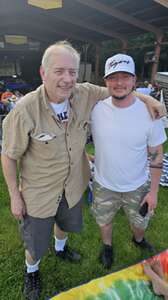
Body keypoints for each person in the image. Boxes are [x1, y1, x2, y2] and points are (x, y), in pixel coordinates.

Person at [1, 42, 165, 300]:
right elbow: (9, 156)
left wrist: (146, 98)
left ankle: (61, 248)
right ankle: (31, 270)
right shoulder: (24, 111)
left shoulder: (84, 94)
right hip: (39, 191)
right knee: (34, 242)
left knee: (65, 224)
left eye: (72, 72)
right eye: (59, 71)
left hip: (74, 185)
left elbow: (118, 89)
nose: (67, 79)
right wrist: (14, 195)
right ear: (43, 73)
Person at [91, 53, 167, 269]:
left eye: (125, 76)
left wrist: (153, 192)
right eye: (113, 77)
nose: (119, 83)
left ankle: (139, 240)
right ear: (105, 81)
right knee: (104, 220)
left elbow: (156, 155)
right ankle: (107, 246)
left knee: (140, 222)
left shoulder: (149, 113)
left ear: (134, 80)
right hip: (104, 183)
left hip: (138, 184)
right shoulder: (95, 110)